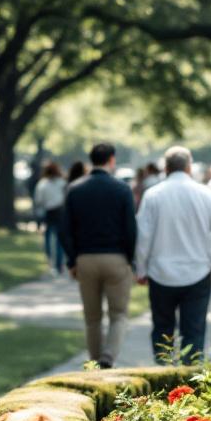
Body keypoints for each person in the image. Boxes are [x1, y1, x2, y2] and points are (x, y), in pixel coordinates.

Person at [134, 146, 211, 363]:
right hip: (198, 272)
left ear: (166, 168)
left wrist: (141, 269)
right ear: (189, 167)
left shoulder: (153, 196)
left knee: (162, 331)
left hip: (161, 273)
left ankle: (163, 376)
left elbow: (142, 239)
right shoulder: (206, 194)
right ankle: (190, 382)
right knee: (194, 333)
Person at [60, 143, 137, 369]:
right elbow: (131, 229)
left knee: (92, 318)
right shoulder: (122, 189)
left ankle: (95, 363)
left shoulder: (74, 189)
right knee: (119, 314)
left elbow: (65, 230)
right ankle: (108, 357)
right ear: (111, 160)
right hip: (116, 258)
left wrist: (72, 260)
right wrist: (131, 260)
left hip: (85, 259)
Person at [33, 161, 67, 276]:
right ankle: (58, 264)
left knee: (48, 239)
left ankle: (51, 262)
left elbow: (38, 200)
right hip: (59, 212)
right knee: (58, 241)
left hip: (48, 213)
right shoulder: (62, 183)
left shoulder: (42, 184)